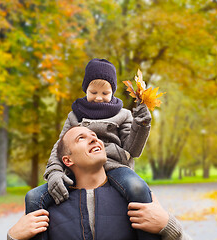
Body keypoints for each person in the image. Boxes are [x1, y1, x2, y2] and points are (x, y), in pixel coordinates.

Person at [25, 58, 157, 239]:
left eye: (105, 92)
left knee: (137, 187)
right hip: (79, 167)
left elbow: (133, 149)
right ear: (85, 89)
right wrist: (54, 172)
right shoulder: (75, 115)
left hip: (115, 166)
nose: (99, 97)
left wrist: (141, 124)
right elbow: (60, 147)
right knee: (33, 197)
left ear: (113, 92)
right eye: (93, 91)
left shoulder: (123, 114)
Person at [8, 126, 191, 240]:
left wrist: (170, 228)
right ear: (67, 160)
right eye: (81, 138)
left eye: (94, 135)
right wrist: (12, 238)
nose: (94, 138)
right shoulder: (47, 210)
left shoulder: (136, 201)